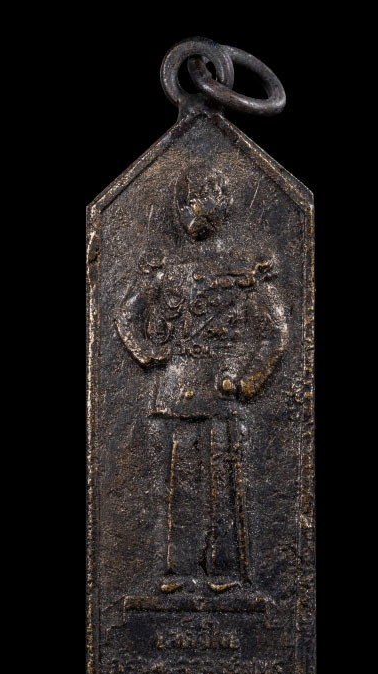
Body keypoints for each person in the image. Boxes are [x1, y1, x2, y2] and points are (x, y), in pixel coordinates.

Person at [116, 164, 288, 594]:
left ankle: (224, 571)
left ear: (221, 202)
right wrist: (149, 353)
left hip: (221, 391)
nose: (190, 210)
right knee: (180, 483)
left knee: (222, 480)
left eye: (199, 199)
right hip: (178, 387)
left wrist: (247, 380)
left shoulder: (247, 269)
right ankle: (178, 570)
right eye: (185, 201)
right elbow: (127, 314)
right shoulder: (164, 266)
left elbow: (275, 334)